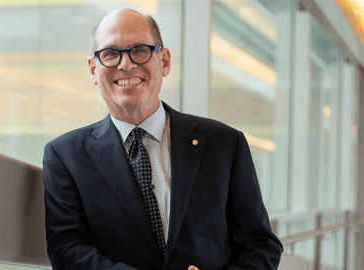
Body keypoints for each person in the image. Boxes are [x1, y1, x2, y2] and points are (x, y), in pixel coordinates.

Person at [43, 8, 283, 270]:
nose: (126, 64)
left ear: (165, 61)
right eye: (110, 53)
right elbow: (67, 250)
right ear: (93, 69)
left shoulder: (224, 143)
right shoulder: (65, 156)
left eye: (139, 49)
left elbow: (260, 244)